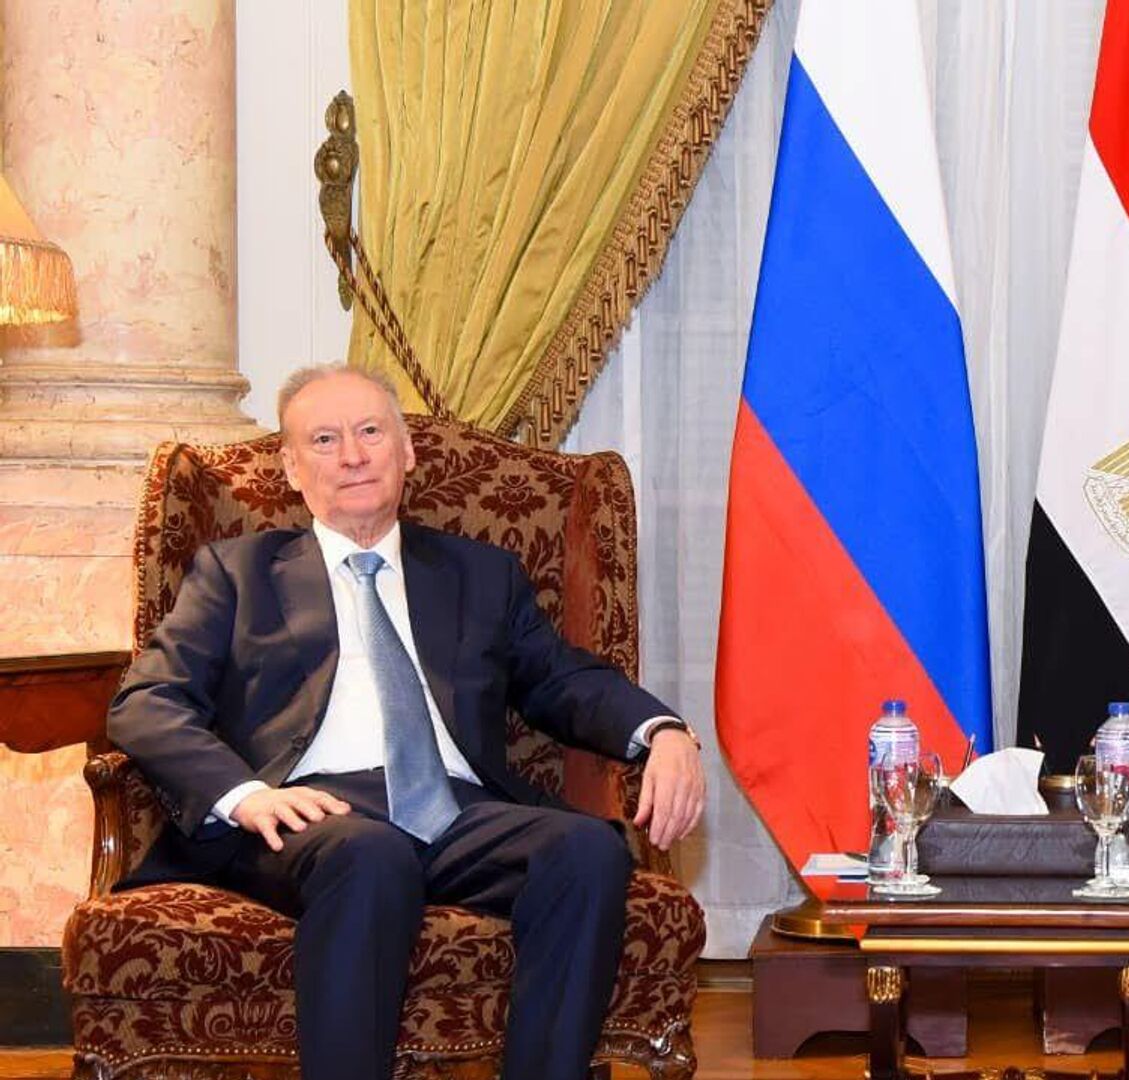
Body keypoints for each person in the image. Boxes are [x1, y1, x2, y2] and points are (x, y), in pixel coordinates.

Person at [106, 363, 706, 1080]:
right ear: (291, 469)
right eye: (324, 440)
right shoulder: (236, 574)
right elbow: (147, 701)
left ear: (407, 450)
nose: (352, 456)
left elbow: (561, 678)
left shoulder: (480, 573)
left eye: (370, 432)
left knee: (585, 850)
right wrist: (246, 796)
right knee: (370, 854)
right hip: (308, 815)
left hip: (456, 812)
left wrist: (663, 730)